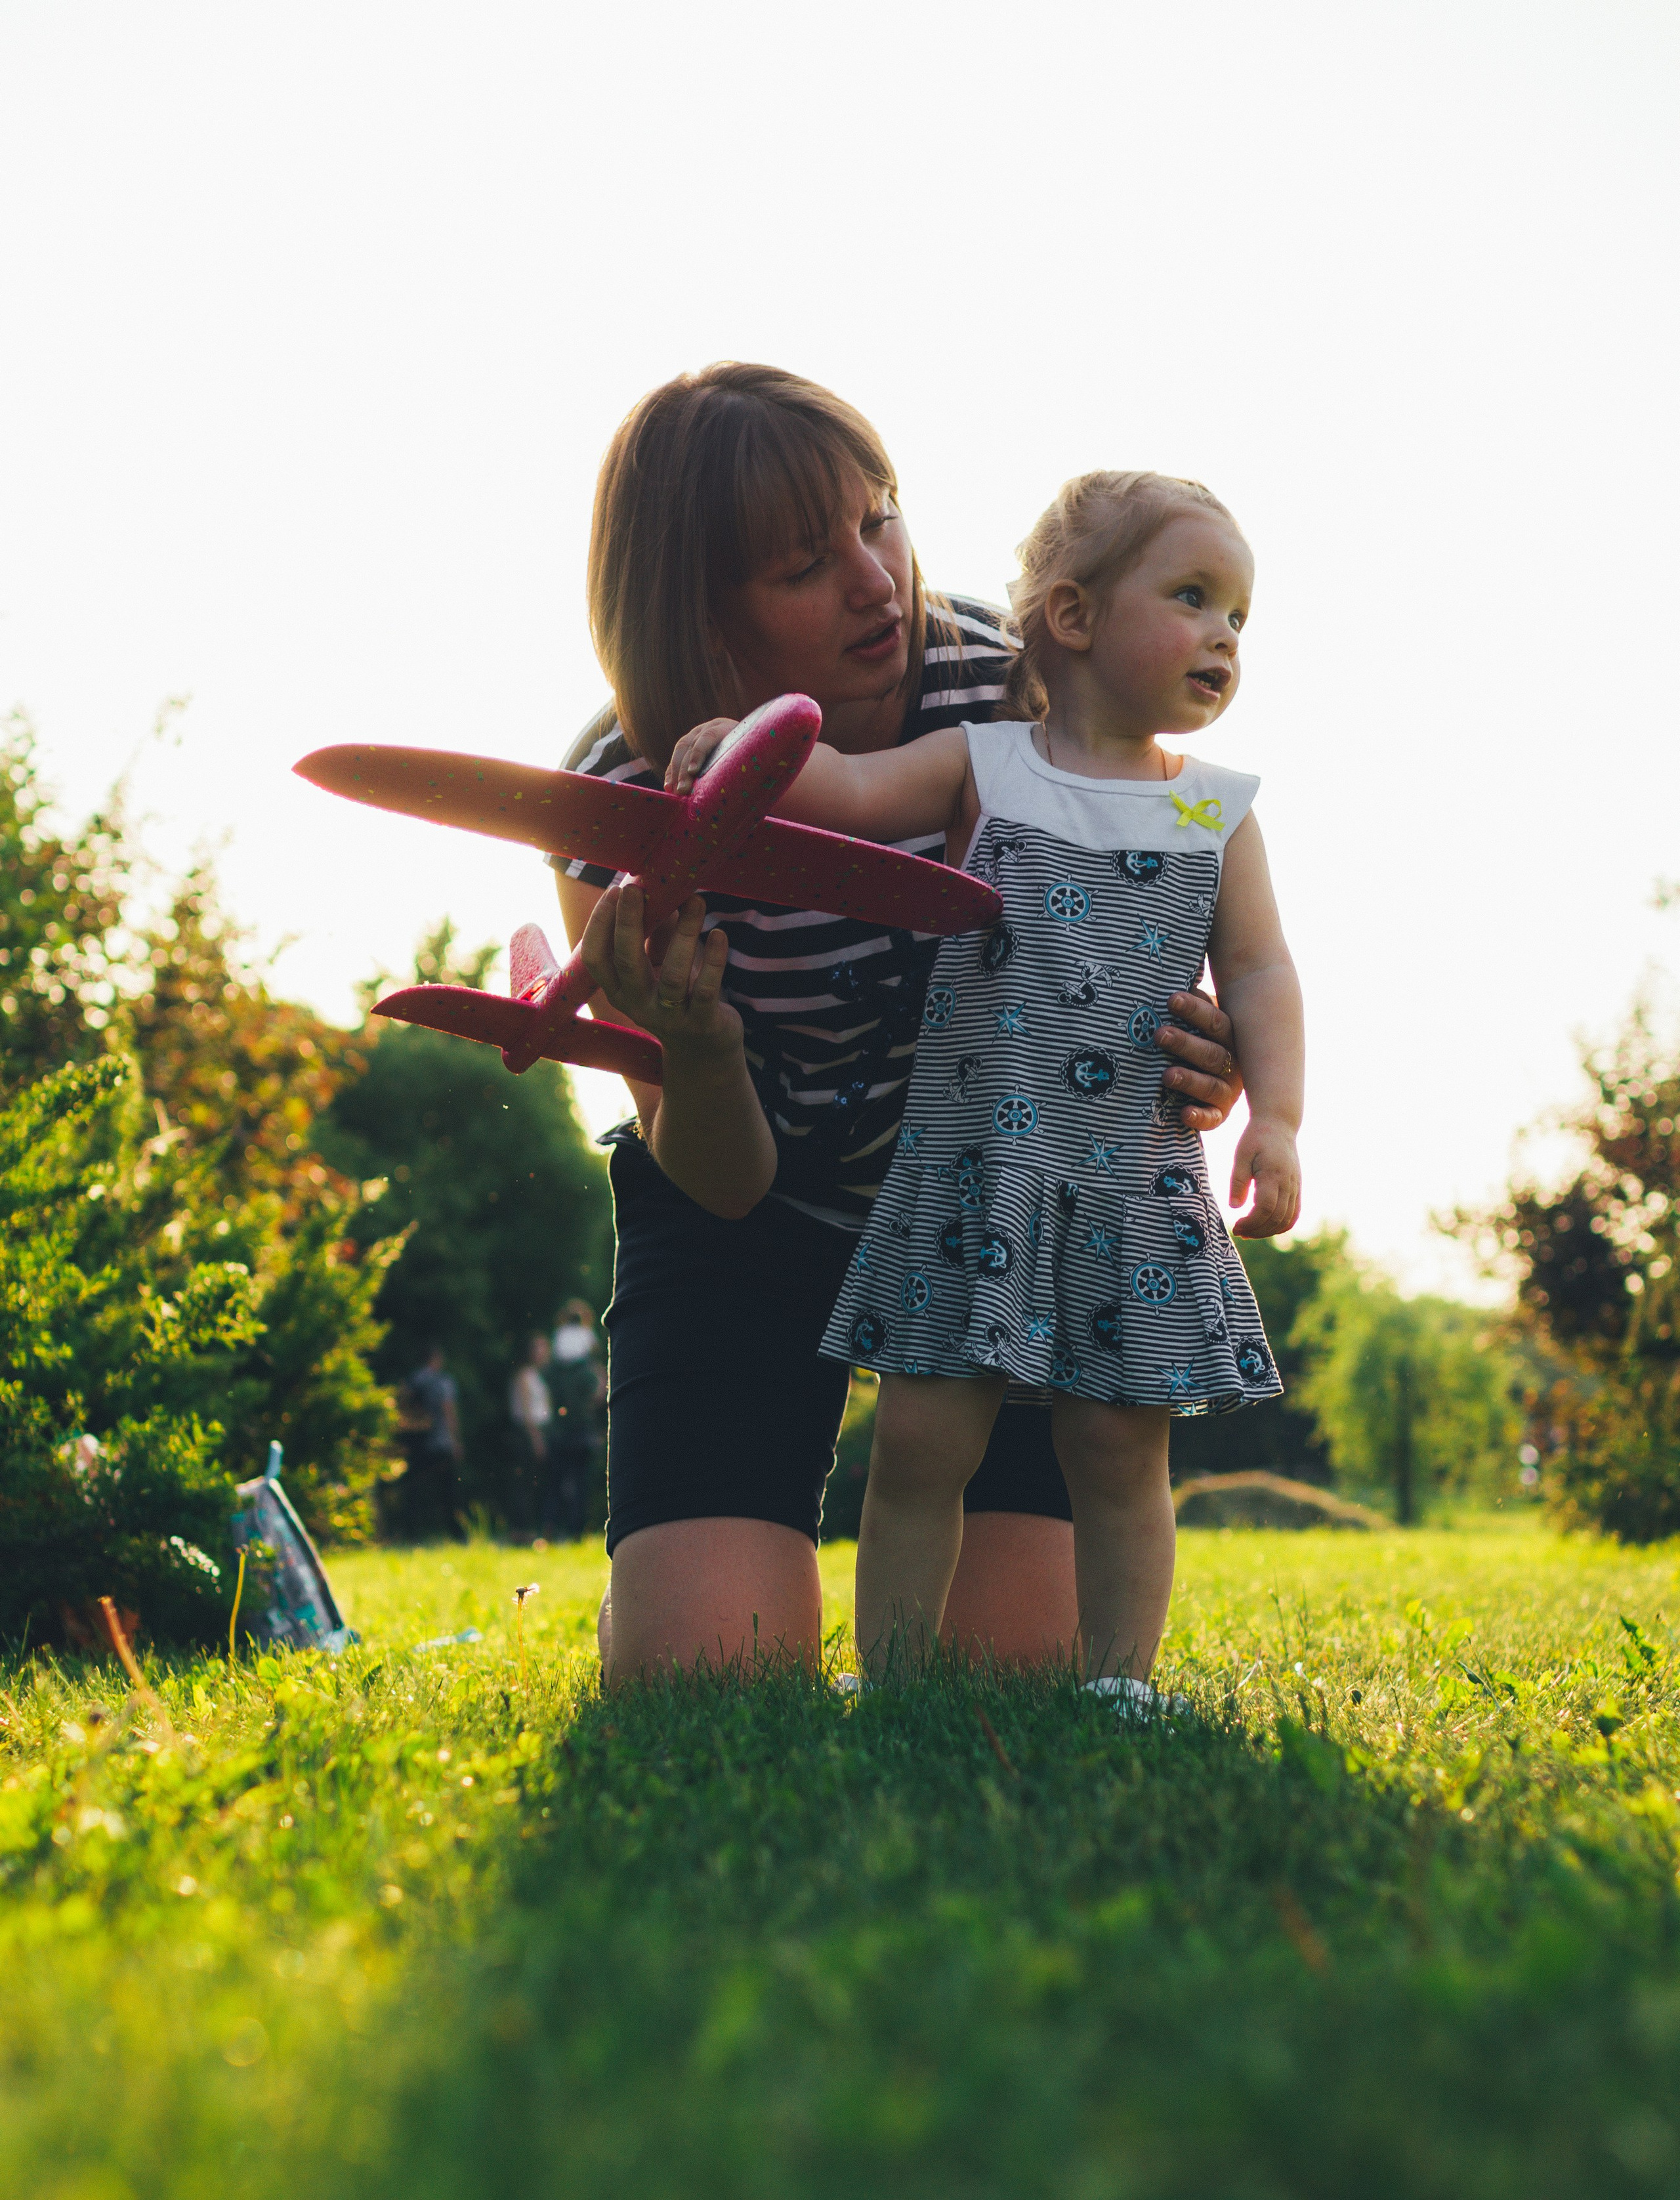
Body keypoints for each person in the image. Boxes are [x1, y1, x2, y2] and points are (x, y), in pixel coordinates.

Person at [555, 365, 1246, 1682]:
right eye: (804, 565)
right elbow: (724, 1176)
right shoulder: (622, 793)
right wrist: (695, 1048)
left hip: (1014, 1218)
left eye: (879, 520)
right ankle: (666, 1581)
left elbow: (1189, 890)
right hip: (749, 1229)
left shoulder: (1023, 693)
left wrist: (1201, 1046)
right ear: (699, 610)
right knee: (705, 1673)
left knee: (1011, 1669)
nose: (877, 581)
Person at [547, 1300, 603, 1540]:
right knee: (580, 1481)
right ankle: (576, 1529)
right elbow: (599, 1394)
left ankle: (553, 1527)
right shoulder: (586, 1365)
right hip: (581, 1426)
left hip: (559, 1427)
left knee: (557, 1479)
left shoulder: (555, 1363)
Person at [398, 1343, 464, 1542]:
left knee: (415, 1489)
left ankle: (411, 1532)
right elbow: (448, 1410)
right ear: (436, 1358)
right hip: (441, 1442)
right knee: (447, 1490)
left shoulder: (412, 1380)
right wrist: (456, 1441)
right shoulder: (443, 1381)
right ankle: (456, 1532)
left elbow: (402, 1404)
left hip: (418, 1442)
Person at [509, 1333, 556, 1539]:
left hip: (537, 1431)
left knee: (535, 1482)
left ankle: (531, 1528)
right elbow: (528, 1411)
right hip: (528, 1433)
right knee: (527, 1481)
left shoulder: (538, 1376)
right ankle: (522, 1530)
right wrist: (536, 1438)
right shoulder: (524, 1376)